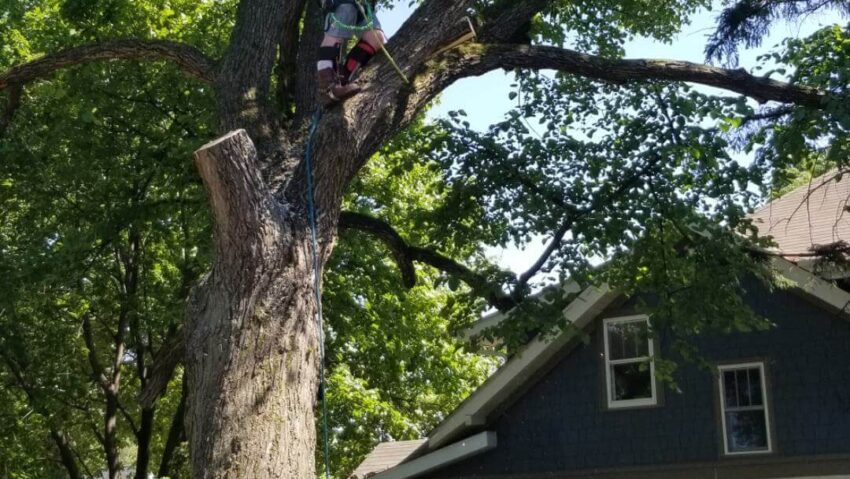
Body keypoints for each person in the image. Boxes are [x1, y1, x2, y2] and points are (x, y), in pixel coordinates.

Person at [316, 0, 385, 106]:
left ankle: (343, 81)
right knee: (336, 34)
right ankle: (327, 89)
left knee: (376, 38)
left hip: (363, 4)